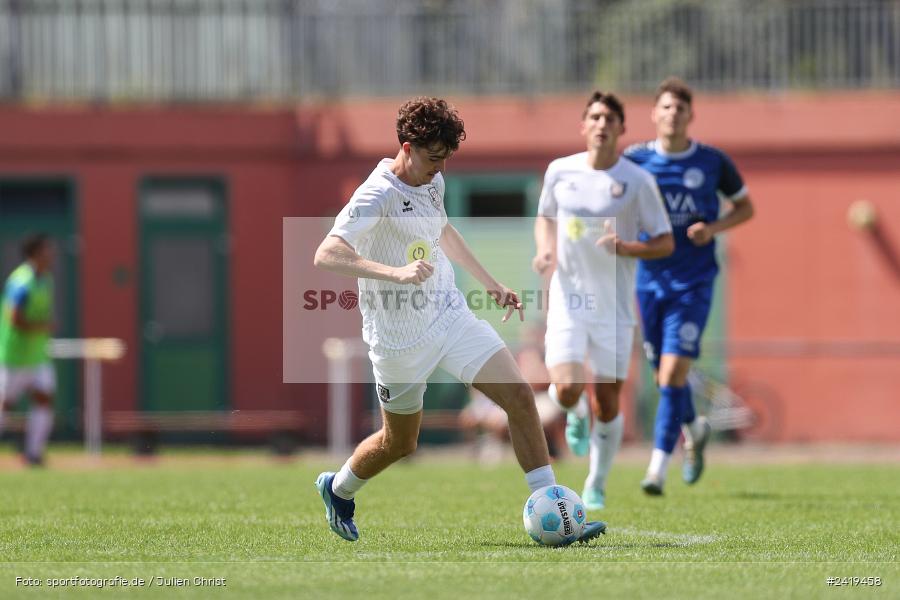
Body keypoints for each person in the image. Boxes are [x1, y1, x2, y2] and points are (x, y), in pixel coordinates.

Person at [312, 96, 605, 543]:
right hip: (397, 339)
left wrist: (489, 282)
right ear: (407, 147)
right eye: (432, 159)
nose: (438, 169)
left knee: (521, 399)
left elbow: (442, 229)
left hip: (449, 318)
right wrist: (395, 272)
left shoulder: (432, 180)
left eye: (445, 160)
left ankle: (556, 510)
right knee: (400, 444)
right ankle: (339, 488)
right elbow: (326, 253)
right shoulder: (375, 194)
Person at [533, 91, 674, 510]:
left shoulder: (637, 181)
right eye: (594, 117)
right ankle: (572, 412)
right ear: (584, 126)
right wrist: (544, 249)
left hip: (613, 306)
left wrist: (628, 248)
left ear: (621, 129)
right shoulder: (560, 171)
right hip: (568, 296)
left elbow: (665, 242)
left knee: (608, 401)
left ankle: (596, 481)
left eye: (610, 118)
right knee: (569, 386)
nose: (601, 124)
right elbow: (545, 217)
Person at [624, 77, 755, 495]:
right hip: (649, 281)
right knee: (666, 379)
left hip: (694, 283)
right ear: (654, 114)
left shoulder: (713, 161)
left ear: (690, 116)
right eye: (665, 107)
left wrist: (713, 228)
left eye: (680, 109)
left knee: (670, 373)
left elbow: (746, 207)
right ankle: (695, 427)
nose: (672, 114)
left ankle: (657, 468)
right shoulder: (636, 159)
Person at [0, 234, 56, 466]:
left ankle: (33, 453)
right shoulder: (21, 281)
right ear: (33, 254)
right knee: (5, 404)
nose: (51, 254)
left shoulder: (46, 279)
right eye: (46, 250)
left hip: (38, 355)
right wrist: (40, 326)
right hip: (14, 356)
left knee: (44, 399)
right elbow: (13, 317)